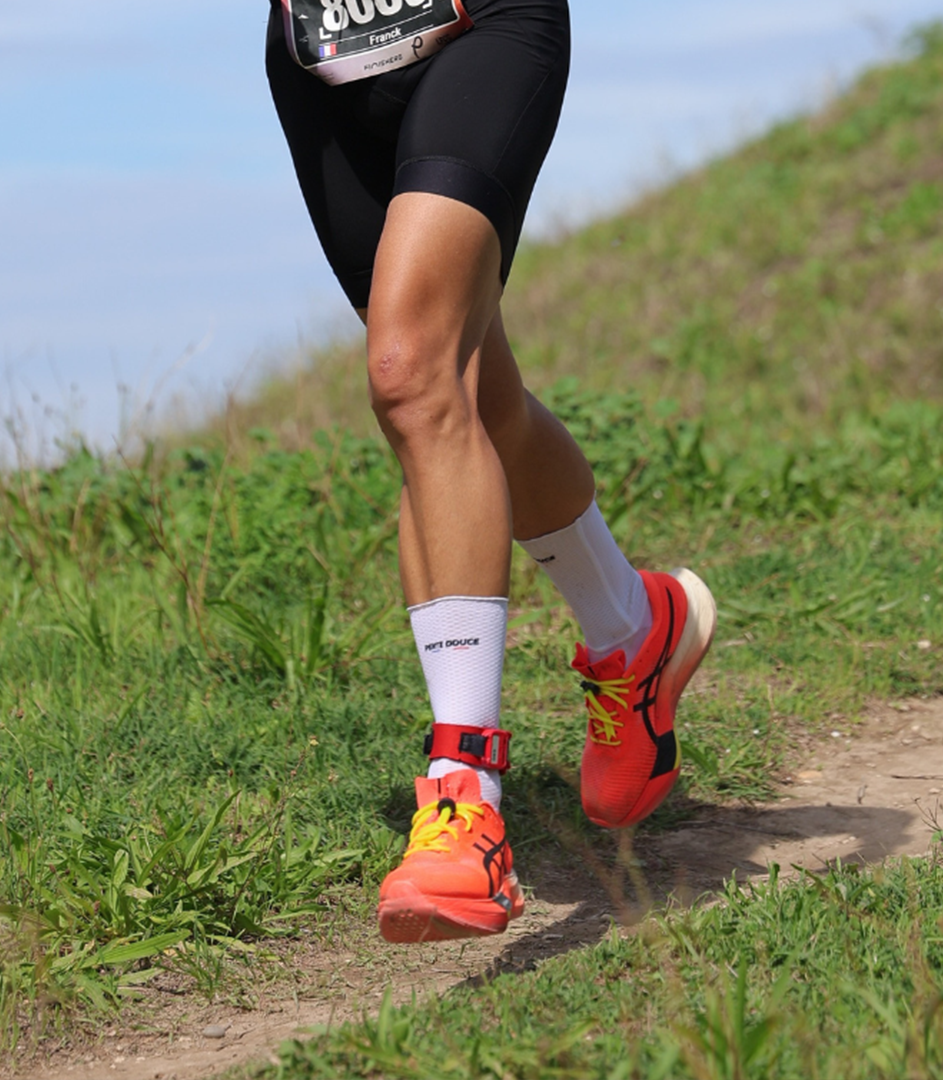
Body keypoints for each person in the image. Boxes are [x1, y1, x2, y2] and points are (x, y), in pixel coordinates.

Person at [265, 0, 717, 943]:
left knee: (411, 374)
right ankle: (635, 629)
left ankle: (464, 802)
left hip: (484, 26)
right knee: (474, 398)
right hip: (327, 55)